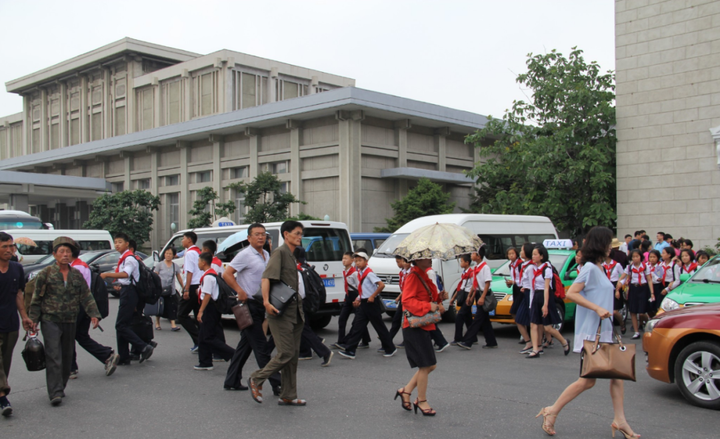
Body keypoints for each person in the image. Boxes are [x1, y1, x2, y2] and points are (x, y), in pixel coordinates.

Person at [537, 226, 639, 438]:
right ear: (600, 245)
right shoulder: (590, 268)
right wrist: (597, 308)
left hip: (604, 331)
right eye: (608, 243)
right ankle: (552, 411)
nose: (611, 247)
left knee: (617, 376)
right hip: (592, 334)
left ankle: (620, 420)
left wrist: (606, 310)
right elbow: (572, 293)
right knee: (587, 380)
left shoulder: (600, 268)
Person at [28, 237, 102, 406]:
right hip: (50, 319)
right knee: (53, 355)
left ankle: (60, 386)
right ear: (54, 254)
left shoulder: (76, 275)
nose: (65, 254)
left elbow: (86, 295)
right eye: (61, 251)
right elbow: (36, 298)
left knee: (67, 356)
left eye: (68, 252)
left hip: (70, 319)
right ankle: (55, 392)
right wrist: (32, 320)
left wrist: (94, 314)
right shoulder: (45, 274)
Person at [249, 221, 307, 406]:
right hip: (279, 312)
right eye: (297, 233)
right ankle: (257, 379)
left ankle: (288, 394)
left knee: (293, 355)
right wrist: (266, 302)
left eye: (301, 234)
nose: (299, 236)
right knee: (286, 353)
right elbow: (266, 277)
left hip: (295, 312)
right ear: (286, 234)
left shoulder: (291, 254)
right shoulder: (280, 253)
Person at [223, 223, 281, 394]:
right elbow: (226, 274)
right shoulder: (245, 255)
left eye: (263, 234)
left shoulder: (266, 255)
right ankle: (277, 383)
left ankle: (231, 380)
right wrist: (239, 290)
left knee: (245, 346)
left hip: (260, 304)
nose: (261, 237)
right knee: (261, 347)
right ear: (249, 238)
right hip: (247, 305)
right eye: (257, 234)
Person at [394, 257, 447, 417]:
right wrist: (428, 306)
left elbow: (429, 298)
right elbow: (407, 301)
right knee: (426, 365)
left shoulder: (424, 275)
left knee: (430, 365)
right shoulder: (413, 276)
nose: (430, 259)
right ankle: (421, 400)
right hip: (413, 326)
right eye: (426, 257)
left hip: (424, 324)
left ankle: (406, 391)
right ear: (416, 260)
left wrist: (439, 299)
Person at [100, 233, 154, 366]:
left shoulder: (129, 258)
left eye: (120, 242)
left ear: (126, 244)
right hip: (126, 290)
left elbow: (126, 274)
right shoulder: (124, 258)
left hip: (130, 292)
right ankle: (124, 356)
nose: (117, 244)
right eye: (115, 242)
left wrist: (107, 274)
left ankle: (143, 346)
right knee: (122, 325)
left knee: (121, 325)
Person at [69, 241, 120, 379]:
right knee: (80, 336)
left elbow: (80, 291)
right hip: (84, 306)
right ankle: (106, 355)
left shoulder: (77, 268)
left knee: (70, 336)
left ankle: (71, 367)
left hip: (79, 306)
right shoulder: (79, 265)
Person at [337, 251, 396, 359]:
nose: (358, 263)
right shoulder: (360, 273)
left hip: (371, 304)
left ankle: (390, 348)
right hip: (364, 303)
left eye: (360, 261)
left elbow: (381, 285)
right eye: (356, 261)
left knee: (379, 327)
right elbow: (363, 289)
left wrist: (373, 296)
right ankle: (350, 350)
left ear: (366, 261)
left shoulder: (369, 273)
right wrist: (358, 298)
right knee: (357, 327)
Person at [0, 233, 32, 416]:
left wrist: (24, 316)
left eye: (11, 246)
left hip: (11, 323)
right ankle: (3, 398)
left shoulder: (17, 268)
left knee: (5, 362)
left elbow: (18, 293)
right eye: (4, 246)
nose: (9, 250)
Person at [526, 244, 570, 358]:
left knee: (547, 327)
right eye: (533, 254)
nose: (533, 256)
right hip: (536, 296)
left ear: (542, 256)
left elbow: (547, 288)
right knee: (533, 324)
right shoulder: (534, 268)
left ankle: (564, 342)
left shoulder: (547, 269)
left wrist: (545, 305)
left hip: (545, 296)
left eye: (535, 254)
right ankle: (536, 349)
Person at [194, 252, 235, 371]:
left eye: (199, 261)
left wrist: (200, 311)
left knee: (208, 336)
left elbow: (207, 295)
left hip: (209, 308)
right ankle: (205, 362)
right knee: (202, 336)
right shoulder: (212, 275)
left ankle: (232, 353)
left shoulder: (208, 277)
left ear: (204, 262)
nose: (198, 264)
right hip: (213, 308)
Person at [295, 247, 333, 366]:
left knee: (302, 328)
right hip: (306, 302)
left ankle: (323, 351)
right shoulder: (305, 266)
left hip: (299, 303)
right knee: (301, 327)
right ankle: (306, 351)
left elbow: (300, 291)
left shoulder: (297, 270)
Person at [456, 246, 497, 350]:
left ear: (478, 256)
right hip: (478, 293)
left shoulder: (484, 267)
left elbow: (487, 283)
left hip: (484, 294)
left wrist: (482, 297)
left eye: (473, 253)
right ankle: (491, 341)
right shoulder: (477, 267)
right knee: (485, 320)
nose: (471, 255)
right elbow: (476, 285)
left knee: (477, 320)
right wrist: (472, 297)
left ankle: (467, 341)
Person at [334, 251, 371, 349]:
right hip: (348, 296)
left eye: (346, 258)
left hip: (356, 296)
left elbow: (360, 286)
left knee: (358, 320)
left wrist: (359, 298)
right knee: (342, 318)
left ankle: (365, 340)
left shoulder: (354, 273)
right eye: (343, 258)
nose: (343, 260)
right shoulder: (344, 271)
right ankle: (340, 341)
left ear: (352, 261)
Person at [616, 249, 653, 340]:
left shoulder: (645, 266)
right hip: (633, 288)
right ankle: (636, 332)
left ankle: (647, 323)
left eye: (637, 256)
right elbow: (623, 276)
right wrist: (619, 285)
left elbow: (649, 279)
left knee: (641, 312)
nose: (635, 258)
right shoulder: (629, 267)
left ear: (641, 257)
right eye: (633, 257)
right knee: (633, 311)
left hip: (643, 288)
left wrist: (652, 293)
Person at [505, 247, 532, 351]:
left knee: (515, 311)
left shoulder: (521, 264)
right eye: (509, 254)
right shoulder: (510, 265)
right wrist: (510, 283)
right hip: (516, 289)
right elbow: (514, 278)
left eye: (513, 253)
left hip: (522, 288)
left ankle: (525, 334)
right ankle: (524, 333)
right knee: (515, 311)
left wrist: (514, 282)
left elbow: (520, 279)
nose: (511, 255)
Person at [179, 232, 202, 353]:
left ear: (189, 240)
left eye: (183, 239)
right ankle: (202, 341)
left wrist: (186, 289)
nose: (182, 241)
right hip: (199, 286)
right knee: (198, 315)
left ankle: (198, 339)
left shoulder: (189, 253)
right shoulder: (198, 252)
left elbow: (189, 272)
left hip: (192, 286)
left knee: (181, 314)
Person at [152, 247, 183, 331]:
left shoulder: (175, 266)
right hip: (160, 289)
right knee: (159, 306)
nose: (168, 255)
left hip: (171, 290)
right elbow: (155, 276)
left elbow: (179, 278)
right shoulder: (160, 265)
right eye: (166, 253)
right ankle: (157, 323)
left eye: (170, 254)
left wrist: (183, 287)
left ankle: (173, 324)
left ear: (173, 255)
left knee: (172, 306)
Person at [449, 253, 474, 346]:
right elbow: (460, 286)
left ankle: (458, 338)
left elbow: (473, 286)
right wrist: (453, 297)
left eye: (462, 261)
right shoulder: (464, 272)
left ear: (467, 262)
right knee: (468, 318)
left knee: (459, 316)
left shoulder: (471, 273)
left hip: (467, 295)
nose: (460, 263)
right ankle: (473, 337)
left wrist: (470, 297)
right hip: (462, 294)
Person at [388, 255, 411, 348]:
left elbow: (407, 288)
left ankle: (388, 339)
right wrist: (399, 297)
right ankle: (388, 339)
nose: (399, 264)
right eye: (397, 262)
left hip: (407, 299)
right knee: (398, 320)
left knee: (401, 320)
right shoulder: (403, 272)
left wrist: (400, 297)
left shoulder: (410, 273)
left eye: (400, 262)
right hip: (403, 298)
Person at [517, 243, 536, 353]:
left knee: (534, 321)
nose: (521, 251)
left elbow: (533, 283)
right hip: (525, 292)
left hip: (530, 294)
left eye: (522, 250)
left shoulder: (531, 266)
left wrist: (527, 288)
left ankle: (537, 344)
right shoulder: (524, 265)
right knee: (519, 318)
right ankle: (528, 341)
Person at [603, 254, 626, 334]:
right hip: (606, 287)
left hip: (615, 286)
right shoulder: (602, 265)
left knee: (614, 311)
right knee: (607, 311)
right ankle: (610, 330)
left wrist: (619, 285)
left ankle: (621, 323)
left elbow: (624, 276)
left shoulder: (617, 265)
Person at [647, 250, 663, 317]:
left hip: (657, 287)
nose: (652, 259)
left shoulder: (659, 266)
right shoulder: (646, 265)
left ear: (658, 258)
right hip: (648, 286)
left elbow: (659, 278)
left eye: (654, 257)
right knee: (649, 306)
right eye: (650, 257)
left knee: (656, 304)